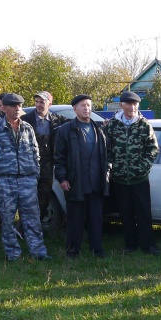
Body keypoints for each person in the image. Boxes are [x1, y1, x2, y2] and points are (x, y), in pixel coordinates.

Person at [0, 93, 50, 261]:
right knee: (7, 219)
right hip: (5, 180)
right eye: (13, 106)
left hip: (27, 179)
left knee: (32, 218)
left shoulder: (27, 128)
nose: (17, 109)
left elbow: (36, 153)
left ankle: (38, 252)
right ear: (4, 108)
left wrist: (35, 173)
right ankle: (12, 253)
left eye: (19, 106)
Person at [53, 94, 109, 258]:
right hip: (75, 182)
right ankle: (72, 250)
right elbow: (59, 157)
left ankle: (97, 249)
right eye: (83, 105)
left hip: (96, 183)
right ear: (75, 109)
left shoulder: (99, 129)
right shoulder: (65, 130)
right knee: (75, 219)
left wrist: (107, 173)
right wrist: (62, 178)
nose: (86, 108)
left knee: (96, 219)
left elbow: (107, 155)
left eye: (89, 105)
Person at [104, 91, 159, 254]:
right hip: (120, 179)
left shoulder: (144, 125)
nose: (132, 107)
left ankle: (148, 245)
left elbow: (153, 149)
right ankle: (130, 245)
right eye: (128, 104)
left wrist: (142, 167)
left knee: (143, 213)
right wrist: (112, 167)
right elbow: (107, 149)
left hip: (140, 179)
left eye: (134, 104)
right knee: (125, 214)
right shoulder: (113, 125)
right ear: (122, 105)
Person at [23, 91, 66, 230]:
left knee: (44, 198)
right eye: (37, 101)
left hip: (47, 166)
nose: (39, 105)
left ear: (50, 104)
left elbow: (75, 122)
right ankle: (22, 230)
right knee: (27, 200)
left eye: (42, 102)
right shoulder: (26, 119)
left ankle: (35, 229)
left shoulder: (56, 119)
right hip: (28, 165)